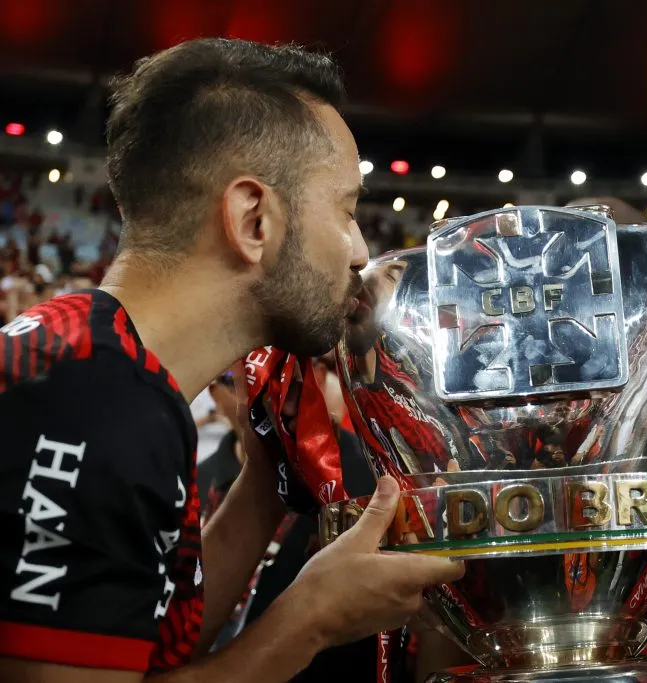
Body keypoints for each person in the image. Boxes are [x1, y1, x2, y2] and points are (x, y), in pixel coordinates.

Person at [0, 38, 463, 682]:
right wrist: (311, 620)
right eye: (347, 209)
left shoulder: (100, 366)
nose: (361, 250)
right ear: (253, 218)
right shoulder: (96, 407)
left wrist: (264, 490)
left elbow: (139, 650)